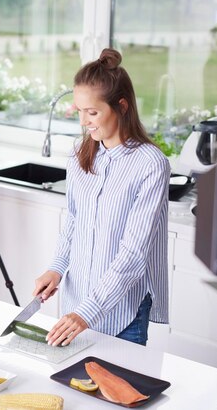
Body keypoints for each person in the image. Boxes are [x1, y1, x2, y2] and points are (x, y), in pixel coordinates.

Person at [33, 48, 170, 346]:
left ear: (121, 106)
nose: (84, 121)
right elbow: (73, 220)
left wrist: (87, 313)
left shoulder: (150, 164)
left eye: (92, 112)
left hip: (122, 314)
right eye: (79, 111)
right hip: (74, 305)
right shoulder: (80, 154)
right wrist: (56, 267)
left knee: (118, 392)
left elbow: (134, 255)